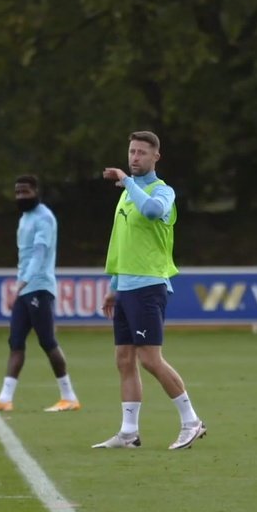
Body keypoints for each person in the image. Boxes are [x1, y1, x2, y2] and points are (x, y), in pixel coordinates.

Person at [92, 131, 206, 450]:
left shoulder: (162, 191)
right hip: (126, 287)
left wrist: (128, 181)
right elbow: (119, 242)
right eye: (132, 151)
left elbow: (154, 211)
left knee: (150, 360)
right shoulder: (127, 194)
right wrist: (113, 286)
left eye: (142, 152)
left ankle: (192, 421)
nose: (135, 157)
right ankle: (129, 432)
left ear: (156, 157)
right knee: (124, 358)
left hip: (148, 286)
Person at [0, 175, 80, 414]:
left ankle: (69, 396)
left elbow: (40, 253)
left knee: (47, 341)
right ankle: (5, 398)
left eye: (25, 192)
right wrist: (21, 283)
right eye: (18, 192)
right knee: (15, 341)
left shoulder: (44, 217)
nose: (20, 196)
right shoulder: (25, 217)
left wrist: (23, 281)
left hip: (39, 287)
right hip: (25, 288)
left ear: (36, 191)